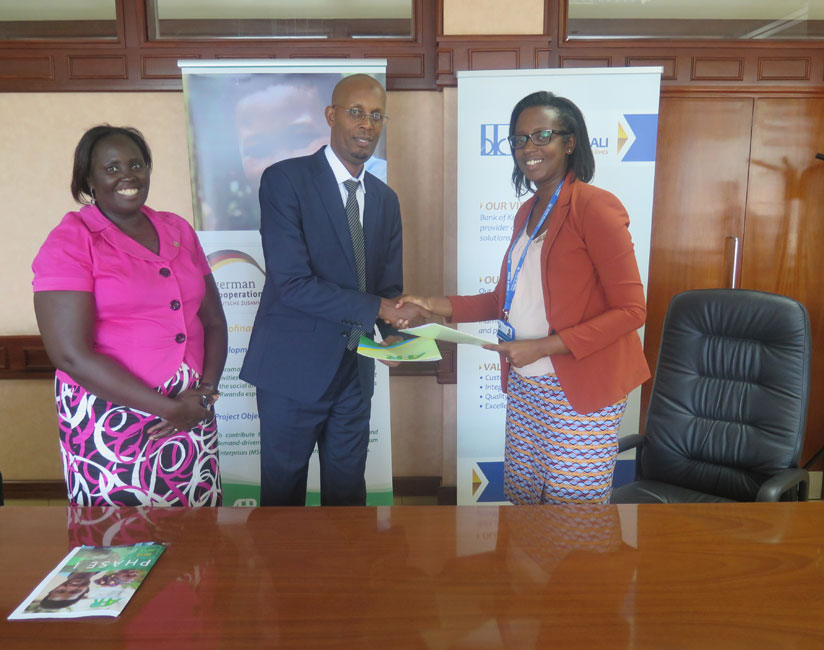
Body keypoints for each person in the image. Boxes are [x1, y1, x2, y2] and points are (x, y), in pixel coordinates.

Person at [399, 91, 650, 505]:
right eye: (519, 139)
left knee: (572, 514)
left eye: (541, 136)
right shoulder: (528, 211)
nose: (528, 148)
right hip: (526, 385)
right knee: (524, 500)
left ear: (569, 143)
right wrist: (430, 305)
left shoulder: (595, 207)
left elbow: (631, 310)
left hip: (580, 390)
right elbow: (503, 299)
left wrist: (542, 347)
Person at [240, 74, 425, 506]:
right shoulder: (285, 181)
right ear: (331, 115)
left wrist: (395, 337)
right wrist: (379, 306)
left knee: (347, 499)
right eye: (356, 112)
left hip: (354, 374)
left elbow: (388, 287)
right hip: (292, 372)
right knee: (283, 501)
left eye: (376, 115)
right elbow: (292, 285)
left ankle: (345, 576)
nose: (367, 124)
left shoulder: (385, 199)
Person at [33, 125, 227, 507]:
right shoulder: (72, 239)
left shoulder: (177, 229)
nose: (128, 175)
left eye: (136, 164)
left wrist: (203, 396)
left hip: (191, 408)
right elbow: (69, 355)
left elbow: (215, 321)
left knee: (198, 536)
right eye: (112, 167)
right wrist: (172, 410)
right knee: (119, 545)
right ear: (88, 178)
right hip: (112, 417)